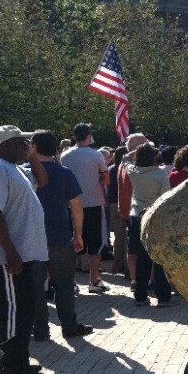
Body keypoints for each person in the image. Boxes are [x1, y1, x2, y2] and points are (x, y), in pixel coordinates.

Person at [0, 125, 48, 374]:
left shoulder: (13, 167)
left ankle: (16, 361)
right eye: (21, 143)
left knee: (21, 312)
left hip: (23, 254)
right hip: (9, 258)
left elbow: (42, 181)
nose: (25, 147)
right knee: (13, 314)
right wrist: (10, 252)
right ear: (5, 145)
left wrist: (31, 156)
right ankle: (12, 371)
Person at [30, 130, 93, 341]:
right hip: (59, 235)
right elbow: (76, 208)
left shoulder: (25, 172)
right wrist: (78, 234)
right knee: (64, 285)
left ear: (34, 147)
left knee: (35, 287)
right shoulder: (64, 173)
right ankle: (69, 326)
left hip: (31, 239)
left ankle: (40, 329)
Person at [60, 123, 110, 293]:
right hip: (93, 203)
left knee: (73, 242)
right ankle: (94, 280)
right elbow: (106, 178)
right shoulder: (96, 155)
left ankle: (71, 282)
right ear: (88, 135)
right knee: (95, 243)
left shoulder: (65, 155)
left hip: (72, 204)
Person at [125, 142, 174, 306]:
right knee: (158, 258)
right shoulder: (159, 175)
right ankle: (163, 296)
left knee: (142, 258)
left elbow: (124, 158)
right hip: (156, 217)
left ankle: (140, 295)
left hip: (137, 217)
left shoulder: (133, 171)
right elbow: (166, 197)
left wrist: (136, 150)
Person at [118, 132, 148, 288]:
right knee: (140, 249)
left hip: (129, 212)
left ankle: (134, 279)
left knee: (132, 247)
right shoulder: (135, 167)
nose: (148, 147)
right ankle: (140, 280)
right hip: (138, 213)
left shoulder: (124, 163)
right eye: (145, 145)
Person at [108, 146, 128, 275]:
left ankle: (117, 263)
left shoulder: (110, 170)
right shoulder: (127, 170)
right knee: (127, 236)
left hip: (113, 203)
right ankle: (126, 264)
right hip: (126, 202)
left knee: (118, 236)